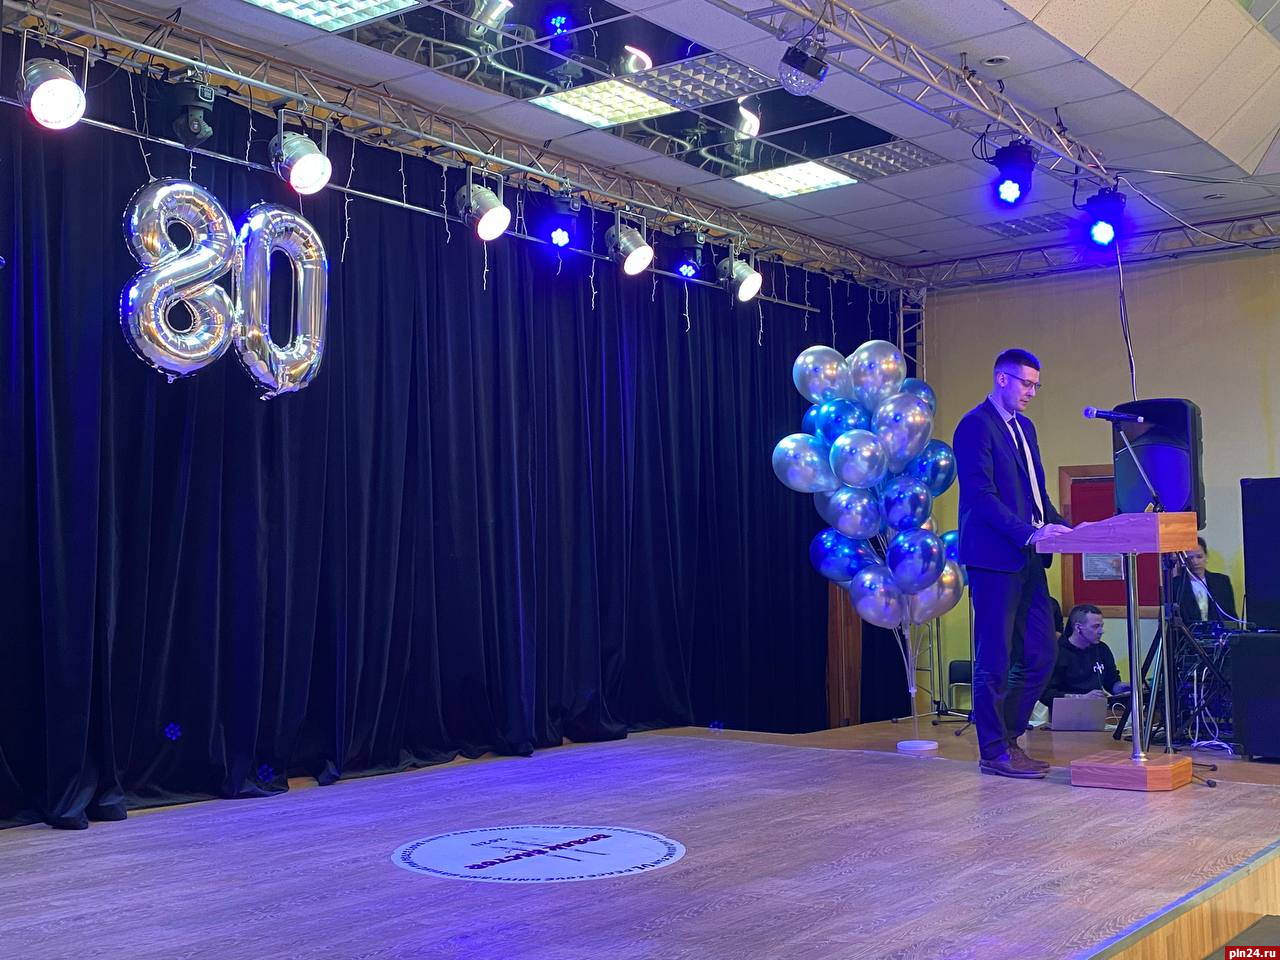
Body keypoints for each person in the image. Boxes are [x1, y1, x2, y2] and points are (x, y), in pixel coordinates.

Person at [954, 348, 1071, 780]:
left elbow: (1036, 495)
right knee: (995, 658)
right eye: (1026, 383)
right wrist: (1027, 533)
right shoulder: (975, 426)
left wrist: (1064, 528)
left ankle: (1007, 738)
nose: (1032, 392)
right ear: (1002, 378)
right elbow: (981, 497)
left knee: (1042, 652)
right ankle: (993, 750)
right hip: (994, 559)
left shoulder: (1026, 427)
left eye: (1036, 385)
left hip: (1028, 557)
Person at [1039, 604, 1131, 711]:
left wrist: (1124, 688)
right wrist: (1082, 698)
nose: (1101, 631)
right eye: (1096, 626)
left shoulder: (1102, 649)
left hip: (1096, 710)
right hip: (1065, 712)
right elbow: (1046, 694)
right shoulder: (1056, 653)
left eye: (1101, 626)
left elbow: (1111, 682)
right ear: (1078, 627)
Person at [1170, 537, 1237, 625]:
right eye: (1190, 558)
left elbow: (1231, 616)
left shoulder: (1222, 582)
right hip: (1188, 632)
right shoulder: (1175, 585)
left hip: (1218, 632)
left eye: (1199, 557)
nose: (1195, 562)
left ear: (1206, 556)